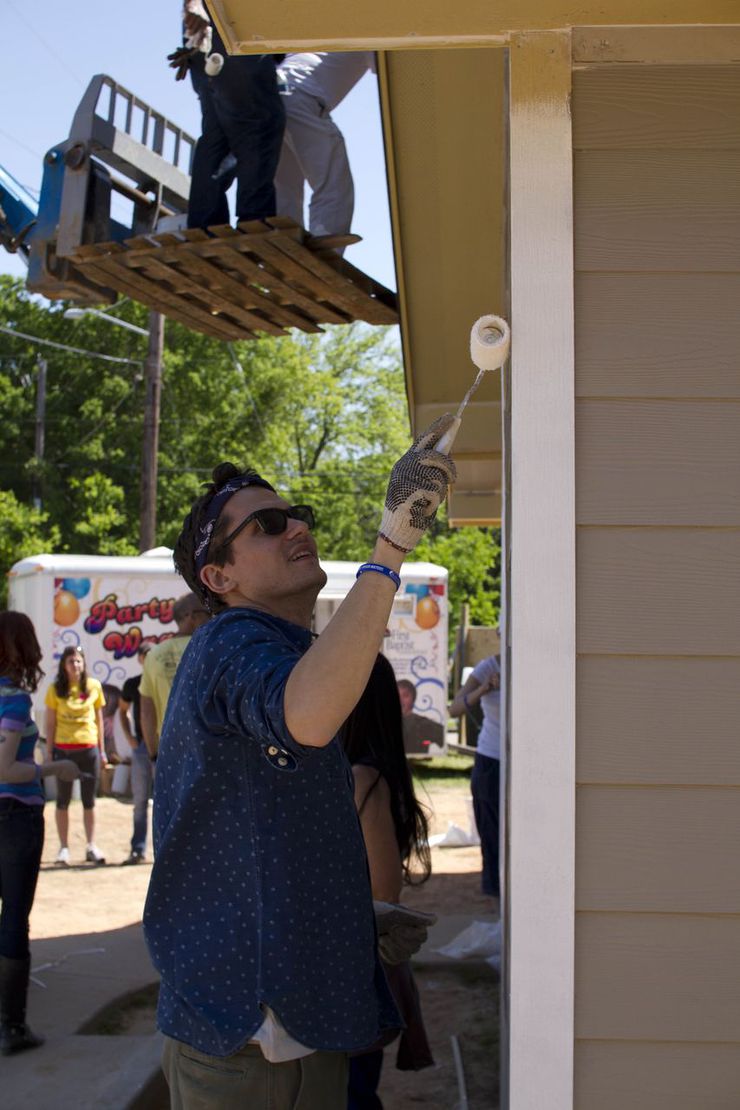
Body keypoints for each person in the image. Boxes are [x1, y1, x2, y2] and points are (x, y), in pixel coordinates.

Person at [143, 414, 456, 1109]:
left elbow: (264, 833)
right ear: (217, 575)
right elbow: (307, 715)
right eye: (267, 525)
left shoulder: (276, 648)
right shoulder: (231, 640)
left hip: (282, 1033)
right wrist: (392, 545)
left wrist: (347, 914)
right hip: (247, 1044)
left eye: (295, 515)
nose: (295, 528)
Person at [338, 654, 434, 1109]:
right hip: (349, 977)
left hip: (353, 977)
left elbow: (383, 897)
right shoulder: (360, 773)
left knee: (351, 1095)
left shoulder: (362, 780)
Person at [0, 612, 84, 1055]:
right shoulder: (14, 701)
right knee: (14, 917)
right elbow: (7, 768)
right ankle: (11, 1027)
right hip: (14, 815)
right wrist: (57, 767)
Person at [170, 1, 285, 230]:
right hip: (234, 32)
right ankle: (254, 224)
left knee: (219, 136)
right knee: (260, 126)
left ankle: (205, 226)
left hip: (204, 43)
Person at [275, 52, 375, 242]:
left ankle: (285, 244)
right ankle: (325, 242)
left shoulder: (316, 33)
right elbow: (393, 67)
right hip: (302, 95)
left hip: (272, 95)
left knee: (285, 186)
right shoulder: (365, 33)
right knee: (333, 181)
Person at [44, 646, 106, 867]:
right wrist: (49, 752)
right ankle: (63, 848)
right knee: (62, 800)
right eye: (71, 661)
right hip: (63, 751)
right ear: (64, 665)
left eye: (78, 661)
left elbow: (99, 721)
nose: (75, 665)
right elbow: (50, 723)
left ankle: (91, 845)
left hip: (88, 749)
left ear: (84, 663)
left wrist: (103, 750)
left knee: (89, 801)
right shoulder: (55, 689)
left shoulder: (94, 686)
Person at [449, 652, 501, 900]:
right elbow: (454, 709)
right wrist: (484, 688)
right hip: (491, 759)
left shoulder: (531, 661)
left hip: (523, 763)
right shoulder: (487, 667)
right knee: (491, 836)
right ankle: (497, 904)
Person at [139, 594, 209, 758]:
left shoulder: (154, 655)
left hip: (169, 746)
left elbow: (147, 711)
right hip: (208, 746)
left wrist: (153, 753)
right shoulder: (209, 646)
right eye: (207, 611)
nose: (212, 616)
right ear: (190, 616)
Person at [118, 643, 153, 864]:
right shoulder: (133, 684)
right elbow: (122, 711)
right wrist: (130, 738)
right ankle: (138, 849)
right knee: (139, 800)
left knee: (166, 801)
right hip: (141, 748)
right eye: (146, 655)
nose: (150, 659)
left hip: (162, 746)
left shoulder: (163, 678)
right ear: (140, 658)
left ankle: (165, 852)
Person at [396, 679, 445, 756]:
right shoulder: (383, 725)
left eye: (405, 696)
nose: (400, 700)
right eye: (396, 696)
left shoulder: (425, 724)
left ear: (413, 699)